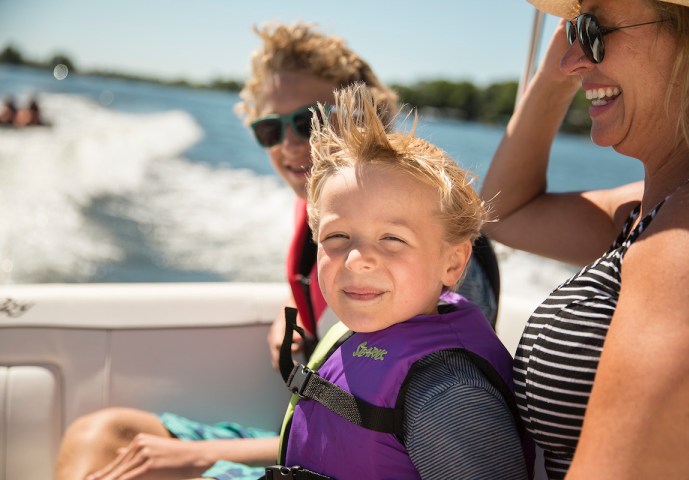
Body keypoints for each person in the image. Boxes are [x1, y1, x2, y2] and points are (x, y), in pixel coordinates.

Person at [55, 22, 501, 480]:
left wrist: (202, 457)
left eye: (310, 120)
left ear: (364, 115)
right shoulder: (319, 220)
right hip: (310, 437)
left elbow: (418, 412)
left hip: (332, 457)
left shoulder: (434, 247)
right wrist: (295, 304)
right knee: (102, 434)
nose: (289, 142)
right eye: (270, 129)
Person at [481, 0, 689, 478]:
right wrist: (552, 80)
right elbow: (501, 213)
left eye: (593, 30)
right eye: (570, 32)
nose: (571, 59)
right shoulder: (649, 212)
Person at [268, 82, 533, 479]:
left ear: (453, 262)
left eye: (392, 240)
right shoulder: (351, 332)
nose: (357, 261)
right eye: (337, 238)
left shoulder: (448, 394)